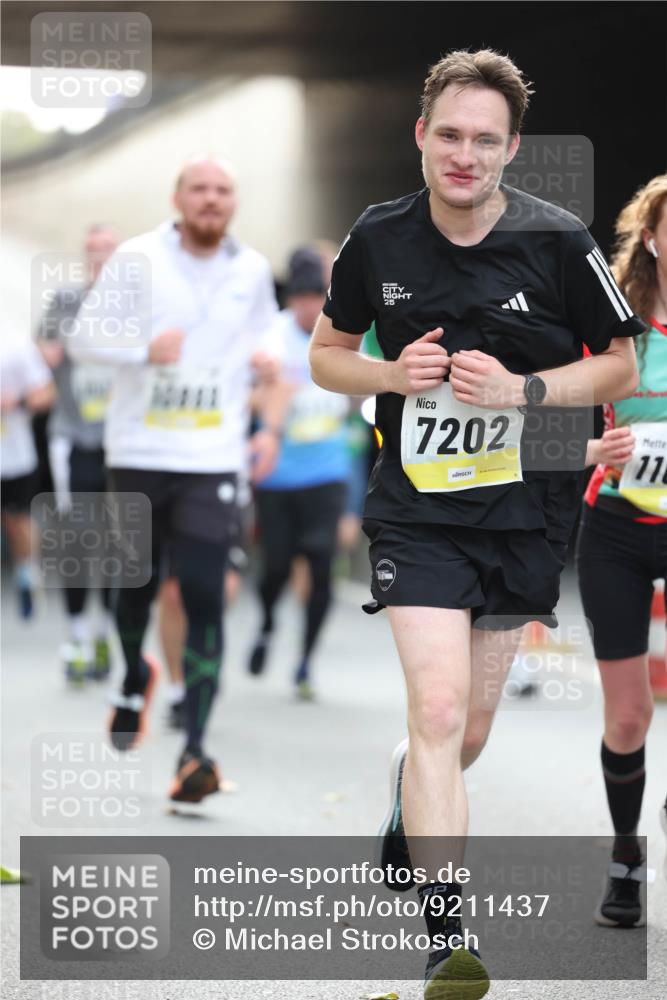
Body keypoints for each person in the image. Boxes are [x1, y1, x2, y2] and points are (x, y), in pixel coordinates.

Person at [309, 48, 642, 998]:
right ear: (420, 135)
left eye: (484, 140)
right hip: (417, 510)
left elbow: (618, 363)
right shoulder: (377, 237)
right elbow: (326, 353)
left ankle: (406, 790)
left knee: (469, 730)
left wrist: (522, 390)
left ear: (511, 149)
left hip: (525, 513)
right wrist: (388, 373)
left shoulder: (558, 239)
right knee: (439, 709)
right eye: (449, 135)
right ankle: (446, 937)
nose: (464, 155)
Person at [69, 155, 282, 803]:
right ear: (177, 198)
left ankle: (195, 748)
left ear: (233, 202)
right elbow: (83, 339)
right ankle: (135, 675)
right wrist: (141, 350)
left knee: (203, 595)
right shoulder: (136, 258)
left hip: (211, 458)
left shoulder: (251, 269)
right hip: (138, 449)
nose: (211, 199)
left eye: (223, 190)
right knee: (133, 586)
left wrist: (267, 361)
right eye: (200, 189)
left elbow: (268, 335)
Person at [576, 173, 667, 924]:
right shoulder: (616, 323)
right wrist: (590, 448)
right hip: (616, 529)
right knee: (629, 715)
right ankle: (625, 854)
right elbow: (542, 416)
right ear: (652, 239)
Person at [248, 247, 350, 699]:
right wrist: (270, 390)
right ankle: (268, 622)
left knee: (321, 563)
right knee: (275, 567)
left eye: (317, 296)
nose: (310, 306)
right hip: (277, 475)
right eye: (301, 297)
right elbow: (247, 393)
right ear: (291, 300)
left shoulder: (345, 329)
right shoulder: (271, 334)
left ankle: (306, 660)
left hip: (327, 472)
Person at [36, 223, 120, 682]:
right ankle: (74, 637)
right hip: (73, 437)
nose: (100, 257)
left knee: (116, 539)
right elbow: (44, 352)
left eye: (108, 249)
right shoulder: (67, 301)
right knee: (77, 540)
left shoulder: (135, 305)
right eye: (93, 250)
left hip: (120, 441)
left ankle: (104, 634)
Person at [1, 341, 55, 617]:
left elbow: (47, 393)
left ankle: (28, 575)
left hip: (13, 456)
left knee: (16, 520)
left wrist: (17, 401)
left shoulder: (16, 347)